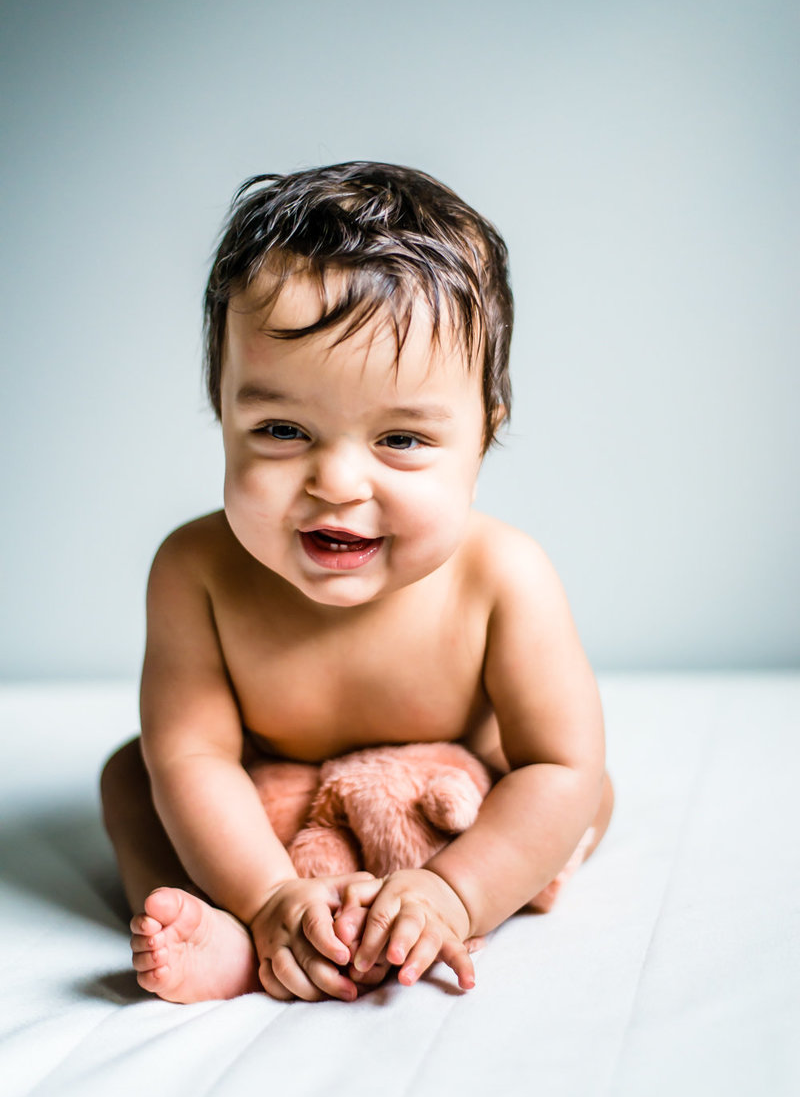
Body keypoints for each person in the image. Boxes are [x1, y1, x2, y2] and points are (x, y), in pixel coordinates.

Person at [100, 161, 614, 1005]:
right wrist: (267, 893)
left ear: (483, 438)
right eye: (281, 428)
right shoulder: (196, 571)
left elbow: (561, 763)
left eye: (402, 439)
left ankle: (441, 909)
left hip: (447, 807)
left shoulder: (502, 577)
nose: (337, 482)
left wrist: (456, 886)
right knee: (133, 776)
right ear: (220, 408)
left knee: (590, 794)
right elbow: (193, 755)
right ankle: (236, 927)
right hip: (266, 820)